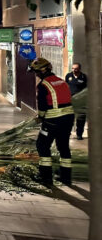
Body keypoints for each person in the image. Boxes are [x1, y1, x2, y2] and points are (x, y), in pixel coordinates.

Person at [29, 57, 74, 186]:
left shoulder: (43, 85)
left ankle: (46, 178)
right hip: (68, 119)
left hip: (53, 120)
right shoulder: (61, 81)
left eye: (36, 72)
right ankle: (66, 178)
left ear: (42, 71)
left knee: (42, 146)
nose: (36, 75)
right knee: (63, 147)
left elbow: (42, 105)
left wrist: (40, 117)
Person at [65, 63, 87, 140]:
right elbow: (65, 87)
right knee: (69, 118)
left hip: (81, 101)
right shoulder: (68, 76)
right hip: (70, 101)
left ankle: (79, 134)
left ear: (79, 69)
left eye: (76, 68)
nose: (74, 70)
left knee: (81, 119)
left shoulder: (84, 77)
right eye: (73, 68)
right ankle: (67, 132)